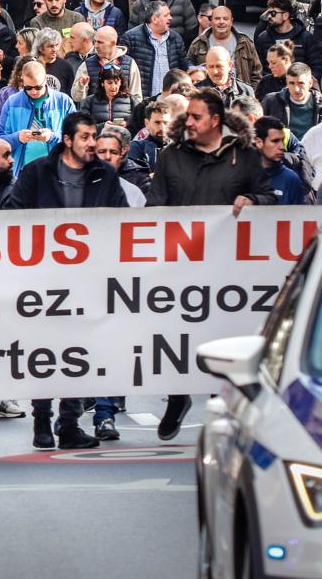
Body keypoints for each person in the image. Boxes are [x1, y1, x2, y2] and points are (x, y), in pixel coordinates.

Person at [146, 89, 277, 441]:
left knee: (228, 336)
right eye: (187, 115)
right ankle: (177, 396)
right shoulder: (171, 157)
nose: (187, 122)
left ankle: (231, 412)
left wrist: (252, 200)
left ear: (215, 121)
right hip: (179, 265)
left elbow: (268, 198)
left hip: (229, 267)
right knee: (176, 334)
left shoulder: (246, 157)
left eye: (196, 117)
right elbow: (154, 205)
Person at [7, 113, 127, 449]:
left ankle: (70, 422)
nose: (93, 143)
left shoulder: (103, 174)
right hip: (43, 282)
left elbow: (120, 219)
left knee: (80, 354)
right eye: (86, 137)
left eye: (95, 136)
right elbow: (14, 217)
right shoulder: (38, 172)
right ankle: (42, 421)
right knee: (45, 354)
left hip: (88, 282)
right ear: (68, 139)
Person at [0, 60, 77, 175]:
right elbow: (0, 141)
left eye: (38, 87)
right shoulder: (12, 102)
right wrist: (17, 137)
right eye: (28, 88)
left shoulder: (64, 101)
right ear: (22, 81)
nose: (34, 92)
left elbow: (75, 138)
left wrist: (52, 137)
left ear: (45, 80)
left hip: (56, 171)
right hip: (21, 172)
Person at [123, 4, 192, 99]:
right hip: (143, 100)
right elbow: (125, 70)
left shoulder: (175, 38)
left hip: (172, 100)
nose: (170, 18)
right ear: (154, 19)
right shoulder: (131, 38)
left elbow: (184, 65)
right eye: (166, 15)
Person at [72, 25, 143, 104]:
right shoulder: (87, 65)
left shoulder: (130, 63)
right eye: (94, 41)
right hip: (95, 115)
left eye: (100, 42)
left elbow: (137, 98)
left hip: (123, 115)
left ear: (113, 43)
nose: (95, 46)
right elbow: (77, 99)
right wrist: (81, 87)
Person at [255, 0, 321, 78]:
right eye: (269, 13)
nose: (269, 17)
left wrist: (306, 83)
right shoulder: (263, 38)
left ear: (285, 15)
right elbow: (257, 67)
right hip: (270, 87)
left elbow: (316, 66)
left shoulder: (306, 38)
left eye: (273, 13)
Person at [261, 62, 322, 140]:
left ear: (310, 83)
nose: (296, 89)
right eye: (291, 83)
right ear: (287, 83)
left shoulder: (320, 104)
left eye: (301, 83)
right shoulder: (271, 101)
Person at [254, 117, 308, 205]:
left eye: (282, 140)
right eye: (275, 141)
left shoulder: (291, 179)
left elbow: (299, 216)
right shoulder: (243, 176)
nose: (282, 147)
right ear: (259, 142)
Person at [95, 124, 149, 204]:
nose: (107, 156)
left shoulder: (140, 178)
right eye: (102, 151)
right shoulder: (87, 174)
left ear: (123, 149)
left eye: (113, 151)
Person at [32, 27, 76, 93]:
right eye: (50, 46)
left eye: (57, 45)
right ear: (40, 48)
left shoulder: (65, 66)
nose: (55, 49)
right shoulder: (32, 66)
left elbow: (71, 93)